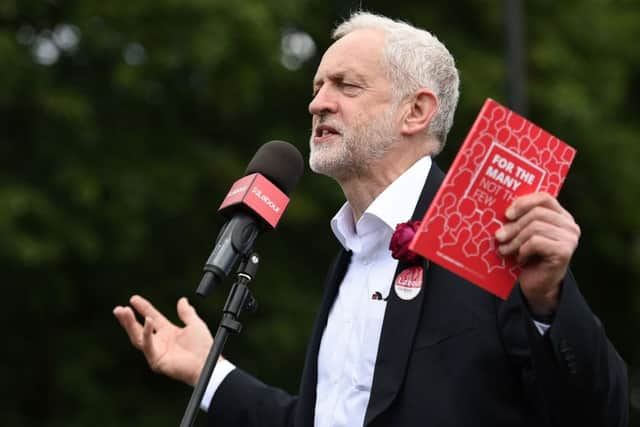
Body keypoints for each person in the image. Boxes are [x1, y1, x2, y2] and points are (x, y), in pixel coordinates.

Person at [113, 11, 628, 427]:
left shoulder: (493, 233)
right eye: (317, 86)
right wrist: (211, 373)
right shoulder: (351, 252)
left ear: (415, 112)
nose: (318, 102)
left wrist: (549, 304)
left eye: (346, 86)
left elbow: (598, 412)